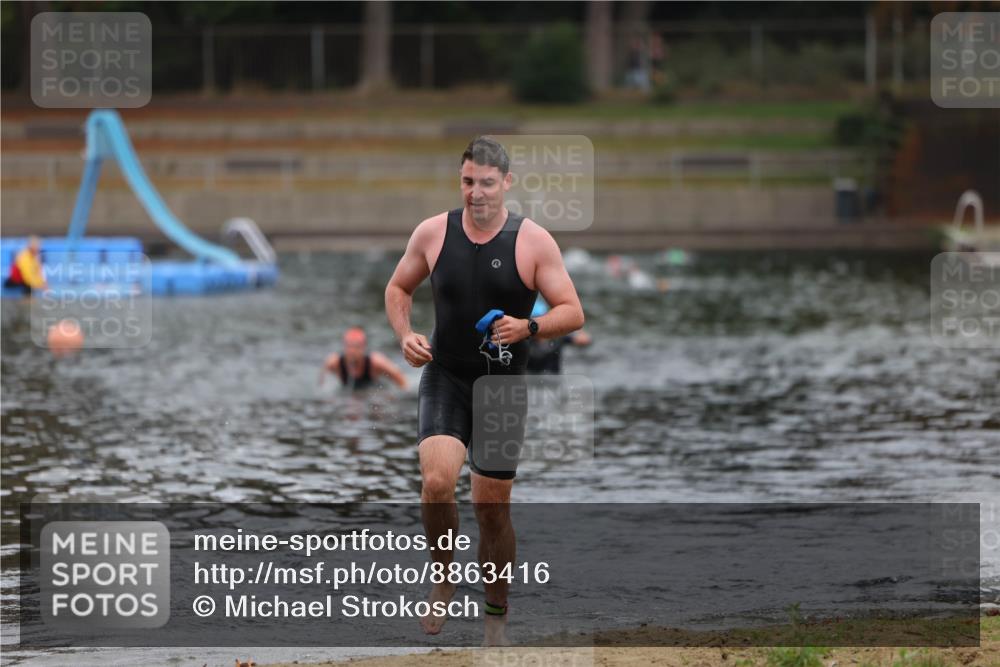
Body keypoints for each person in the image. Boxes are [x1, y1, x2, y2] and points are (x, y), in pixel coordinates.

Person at [384, 136, 585, 646]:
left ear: (507, 184)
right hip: (445, 374)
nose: (476, 193)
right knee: (436, 482)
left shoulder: (533, 241)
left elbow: (572, 311)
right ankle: (443, 576)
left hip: (502, 388)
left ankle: (496, 610)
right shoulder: (433, 233)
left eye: (487, 183)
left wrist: (529, 328)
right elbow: (398, 287)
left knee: (491, 510)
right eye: (467, 182)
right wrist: (405, 335)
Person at [319, 327, 408, 390]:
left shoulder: (377, 362)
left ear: (364, 347)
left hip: (375, 387)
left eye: (356, 347)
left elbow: (402, 383)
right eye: (349, 346)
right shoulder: (333, 362)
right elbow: (322, 386)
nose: (352, 351)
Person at [525, 296, 592, 375]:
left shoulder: (558, 336)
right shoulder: (524, 341)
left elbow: (584, 339)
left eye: (537, 322)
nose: (535, 327)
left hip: (554, 379)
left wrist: (576, 327)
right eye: (532, 324)